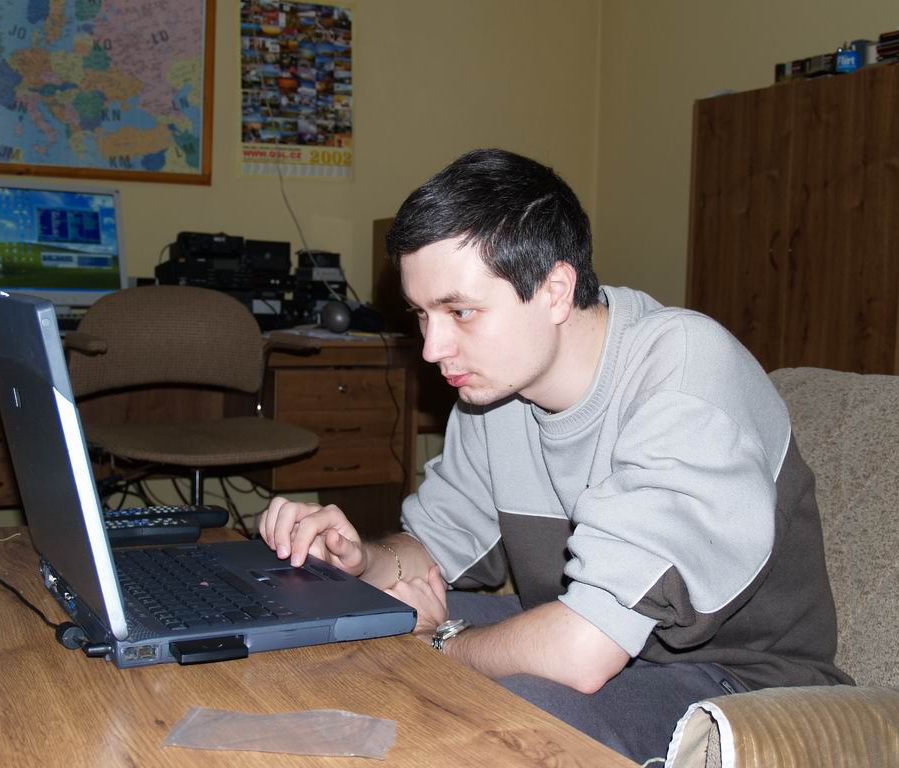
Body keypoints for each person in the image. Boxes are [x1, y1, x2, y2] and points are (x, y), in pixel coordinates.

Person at [258, 148, 851, 764]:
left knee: (497, 725)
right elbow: (431, 554)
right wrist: (360, 562)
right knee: (349, 626)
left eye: (460, 312)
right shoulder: (495, 390)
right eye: (423, 315)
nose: (432, 349)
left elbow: (581, 651)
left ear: (555, 291)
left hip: (740, 690)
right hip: (583, 633)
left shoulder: (685, 376)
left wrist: (442, 644)